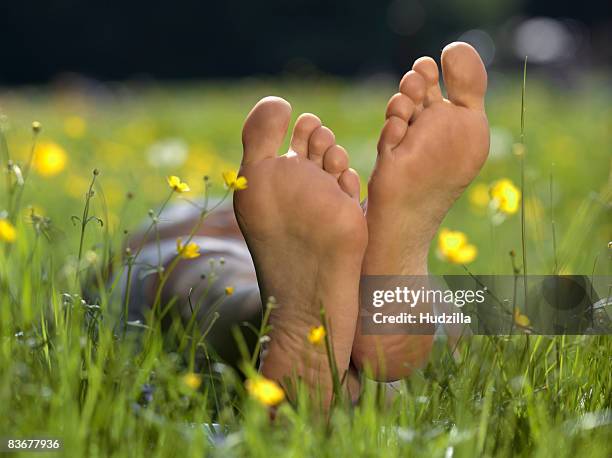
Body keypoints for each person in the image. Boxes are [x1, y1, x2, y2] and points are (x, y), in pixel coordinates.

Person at [120, 42, 490, 405]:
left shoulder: (195, 214)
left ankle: (311, 352)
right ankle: (373, 375)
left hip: (204, 247)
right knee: (444, 308)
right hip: (291, 256)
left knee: (199, 271)